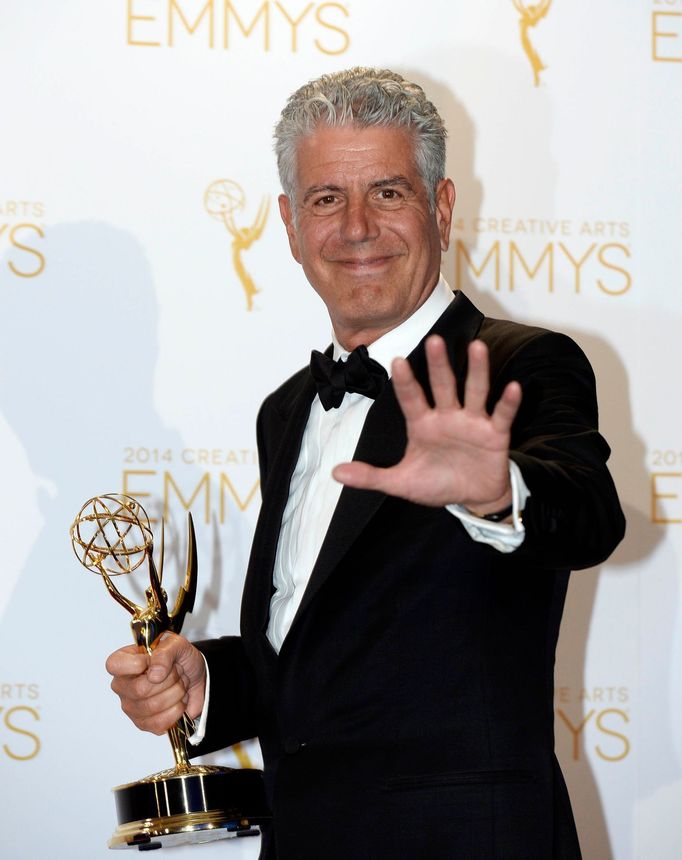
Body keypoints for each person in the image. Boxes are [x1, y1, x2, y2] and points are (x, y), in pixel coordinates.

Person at [106, 68, 625, 859]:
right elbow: (323, 652)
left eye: (386, 193)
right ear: (287, 224)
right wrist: (207, 685)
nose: (355, 227)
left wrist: (497, 492)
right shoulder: (285, 411)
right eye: (325, 200)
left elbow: (586, 513)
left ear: (441, 208)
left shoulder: (522, 364)